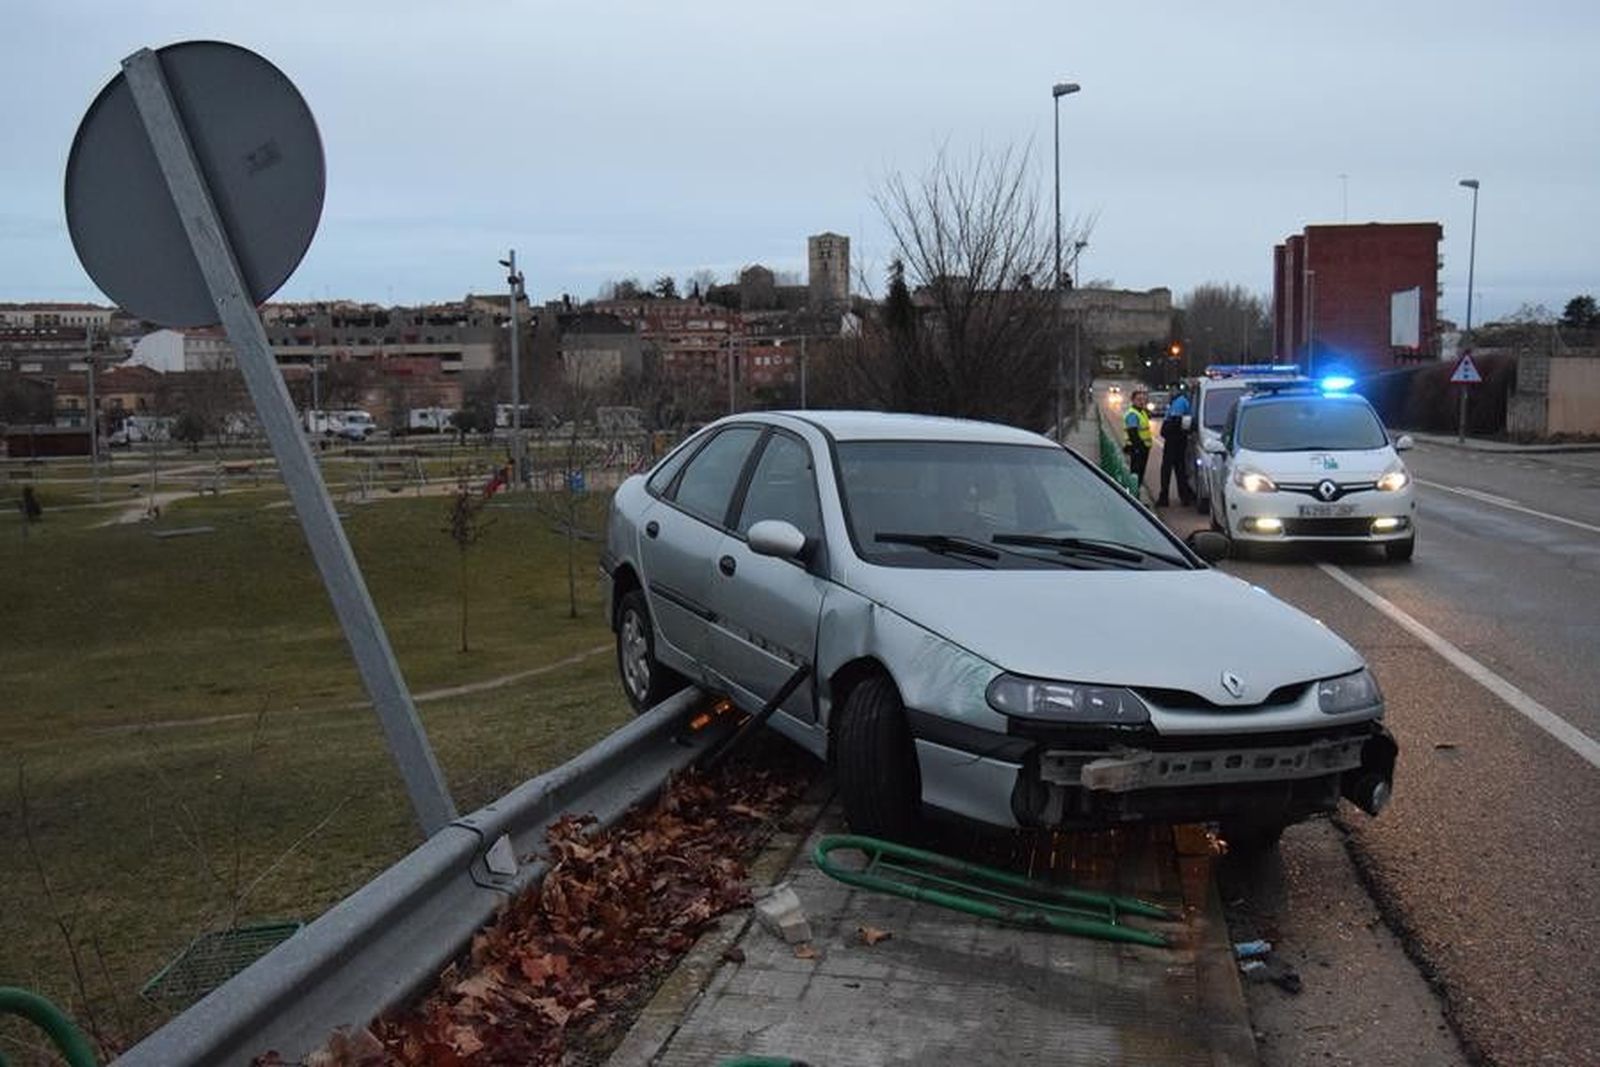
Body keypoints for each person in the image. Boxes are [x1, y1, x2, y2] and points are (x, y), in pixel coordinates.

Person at [1156, 388, 1195, 507]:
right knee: (1180, 469)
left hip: (1174, 440)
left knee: (1168, 470)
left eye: (1173, 390)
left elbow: (1175, 421)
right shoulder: (1179, 401)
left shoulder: (1179, 402)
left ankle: (1165, 498)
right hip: (1178, 440)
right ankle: (1184, 497)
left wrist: (1166, 431)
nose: (1171, 392)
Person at [1123, 389, 1153, 494]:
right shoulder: (1133, 414)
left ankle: (1136, 495)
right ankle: (1133, 496)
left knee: (1140, 474)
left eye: (1143, 399)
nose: (1141, 402)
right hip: (1137, 449)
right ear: (1133, 400)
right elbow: (1133, 434)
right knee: (1136, 475)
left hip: (1143, 448)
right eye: (1138, 399)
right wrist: (1140, 447)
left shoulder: (1142, 412)